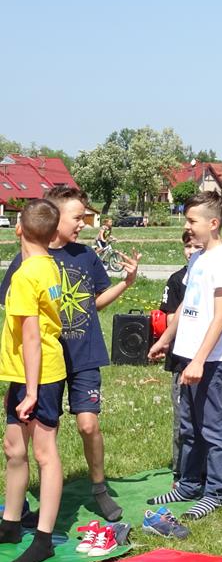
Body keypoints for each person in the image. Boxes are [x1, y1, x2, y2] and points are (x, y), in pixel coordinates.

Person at [0, 186, 141, 522]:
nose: (82, 224)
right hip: (46, 361)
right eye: (77, 217)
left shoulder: (86, 256)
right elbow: (16, 310)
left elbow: (93, 302)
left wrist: (126, 283)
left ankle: (99, 488)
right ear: (54, 217)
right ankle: (23, 504)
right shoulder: (29, 260)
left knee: (88, 425)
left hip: (83, 354)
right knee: (32, 437)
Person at [147, 191, 222, 520]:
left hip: (209, 362)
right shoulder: (198, 258)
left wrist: (200, 359)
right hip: (187, 357)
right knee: (188, 425)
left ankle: (215, 492)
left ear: (213, 223)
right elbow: (187, 304)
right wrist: (166, 339)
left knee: (212, 427)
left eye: (191, 220)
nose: (187, 226)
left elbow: (220, 317)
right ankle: (188, 484)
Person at [0, 199, 63, 562]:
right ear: (53, 236)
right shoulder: (48, 265)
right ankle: (10, 523)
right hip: (22, 375)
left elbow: (32, 337)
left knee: (44, 454)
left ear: (19, 228)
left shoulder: (26, 276)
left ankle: (43, 539)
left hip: (39, 376)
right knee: (13, 448)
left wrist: (32, 391)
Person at [158, 230, 204, 483]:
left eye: (197, 247)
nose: (191, 252)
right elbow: (170, 321)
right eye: (188, 247)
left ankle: (206, 468)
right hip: (181, 359)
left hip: (207, 356)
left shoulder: (211, 277)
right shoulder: (177, 280)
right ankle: (182, 470)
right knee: (183, 418)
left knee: (207, 416)